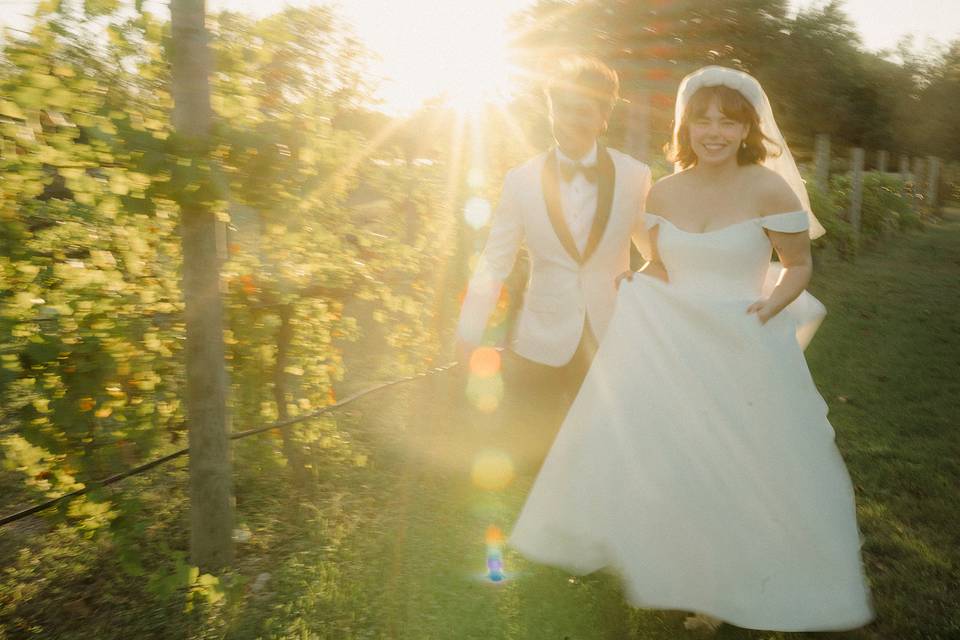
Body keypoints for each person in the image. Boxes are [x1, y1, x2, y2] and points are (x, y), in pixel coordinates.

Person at [507, 66, 874, 632]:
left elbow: (799, 265)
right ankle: (680, 568)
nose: (714, 131)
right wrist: (641, 281)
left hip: (743, 344)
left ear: (748, 127)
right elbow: (661, 263)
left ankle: (724, 591)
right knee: (680, 463)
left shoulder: (768, 188)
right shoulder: (666, 190)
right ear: (686, 126)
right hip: (674, 349)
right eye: (702, 120)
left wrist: (772, 306)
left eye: (728, 122)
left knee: (740, 466)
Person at [455, 56, 651, 467]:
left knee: (607, 452)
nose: (571, 118)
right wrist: (469, 328)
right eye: (563, 107)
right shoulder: (521, 179)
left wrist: (644, 285)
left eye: (584, 109)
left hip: (610, 335)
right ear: (550, 112)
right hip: (539, 337)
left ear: (603, 117)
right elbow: (495, 259)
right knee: (533, 451)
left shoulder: (635, 176)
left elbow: (655, 256)